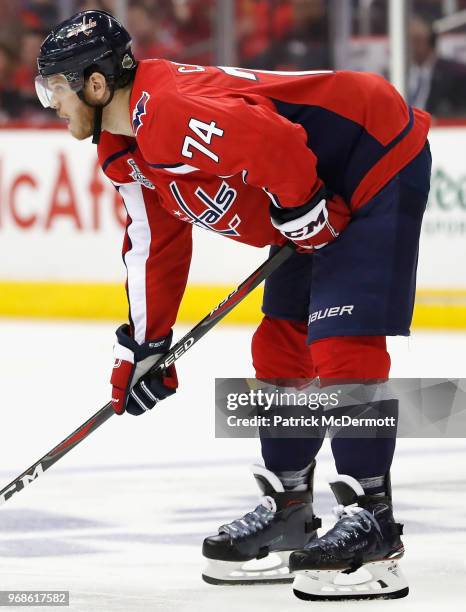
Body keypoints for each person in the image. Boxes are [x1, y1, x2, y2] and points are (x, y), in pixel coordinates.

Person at [35, 10, 431, 601]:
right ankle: (290, 506)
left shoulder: (166, 112)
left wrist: (304, 204)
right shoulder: (124, 151)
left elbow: (272, 140)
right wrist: (147, 346)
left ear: (96, 84)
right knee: (277, 342)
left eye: (56, 89)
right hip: (312, 183)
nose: (51, 104)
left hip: (371, 151)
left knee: (341, 342)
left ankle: (372, 520)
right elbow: (154, 245)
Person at [409, 15, 466, 117]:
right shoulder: (397, 73)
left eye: (416, 40)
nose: (411, 46)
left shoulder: (454, 74)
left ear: (430, 41)